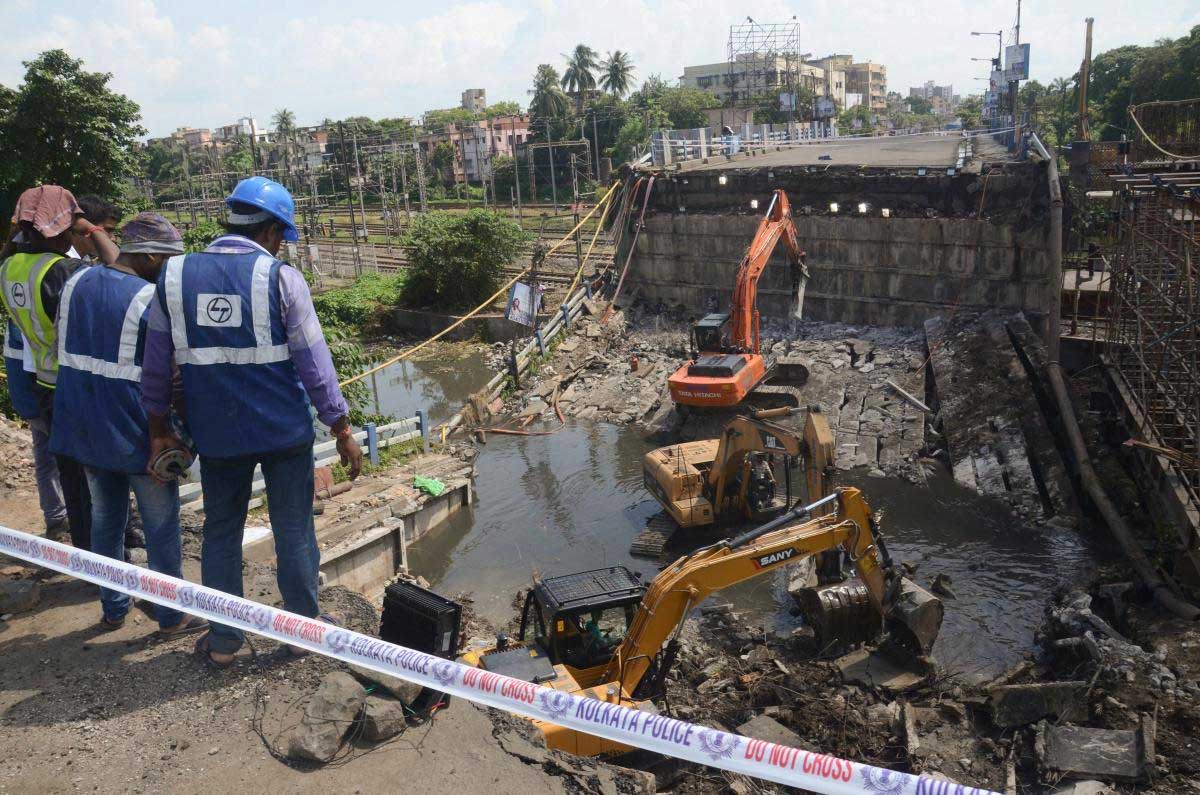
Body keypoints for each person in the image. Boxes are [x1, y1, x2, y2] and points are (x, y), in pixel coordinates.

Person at [141, 176, 363, 667]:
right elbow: (314, 364)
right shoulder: (282, 279)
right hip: (283, 435)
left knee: (221, 532)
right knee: (294, 530)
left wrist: (159, 429)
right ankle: (300, 633)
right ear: (271, 231)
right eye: (283, 236)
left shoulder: (172, 279)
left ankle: (224, 641)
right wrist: (341, 429)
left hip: (217, 438)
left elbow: (155, 367)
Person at [49, 213, 207, 635]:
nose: (171, 268)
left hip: (83, 427)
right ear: (151, 256)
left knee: (106, 519)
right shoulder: (146, 299)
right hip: (136, 432)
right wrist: (185, 431)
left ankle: (113, 607)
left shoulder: (75, 284)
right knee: (160, 527)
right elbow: (170, 378)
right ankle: (172, 616)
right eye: (169, 259)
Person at [0, 185, 119, 551]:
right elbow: (119, 273)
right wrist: (95, 231)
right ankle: (110, 558)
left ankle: (84, 551)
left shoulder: (8, 267)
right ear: (66, 223)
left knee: (71, 476)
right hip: (78, 387)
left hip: (44, 385)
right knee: (102, 477)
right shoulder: (65, 271)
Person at [3, 318, 68, 538]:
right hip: (43, 398)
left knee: (46, 459)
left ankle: (56, 519)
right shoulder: (29, 321)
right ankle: (60, 520)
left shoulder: (18, 315)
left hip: (34, 399)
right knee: (67, 462)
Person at [70, 195, 122, 261]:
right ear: (83, 225)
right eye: (108, 230)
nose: (113, 239)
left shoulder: (84, 259)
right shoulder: (64, 263)